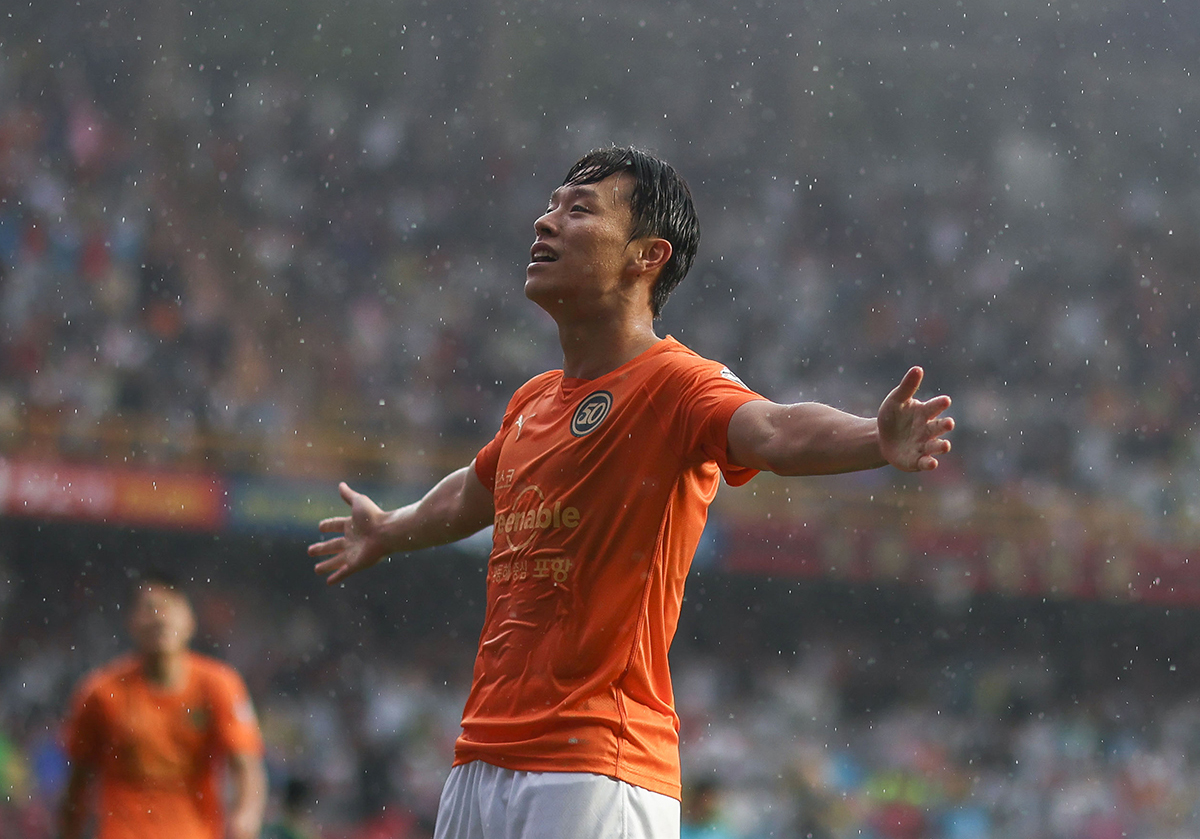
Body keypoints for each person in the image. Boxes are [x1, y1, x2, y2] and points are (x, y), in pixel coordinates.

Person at [307, 146, 954, 839]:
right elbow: (471, 493)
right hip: (480, 759)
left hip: (597, 767)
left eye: (579, 210)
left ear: (648, 255)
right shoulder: (533, 400)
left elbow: (774, 428)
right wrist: (389, 528)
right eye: (551, 206)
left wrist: (872, 438)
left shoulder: (676, 383)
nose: (545, 222)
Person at [58, 570, 267, 839]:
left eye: (170, 607)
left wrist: (246, 816)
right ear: (131, 622)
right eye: (150, 608)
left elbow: (247, 766)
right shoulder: (100, 694)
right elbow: (78, 783)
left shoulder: (219, 686)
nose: (160, 617)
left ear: (190, 621)